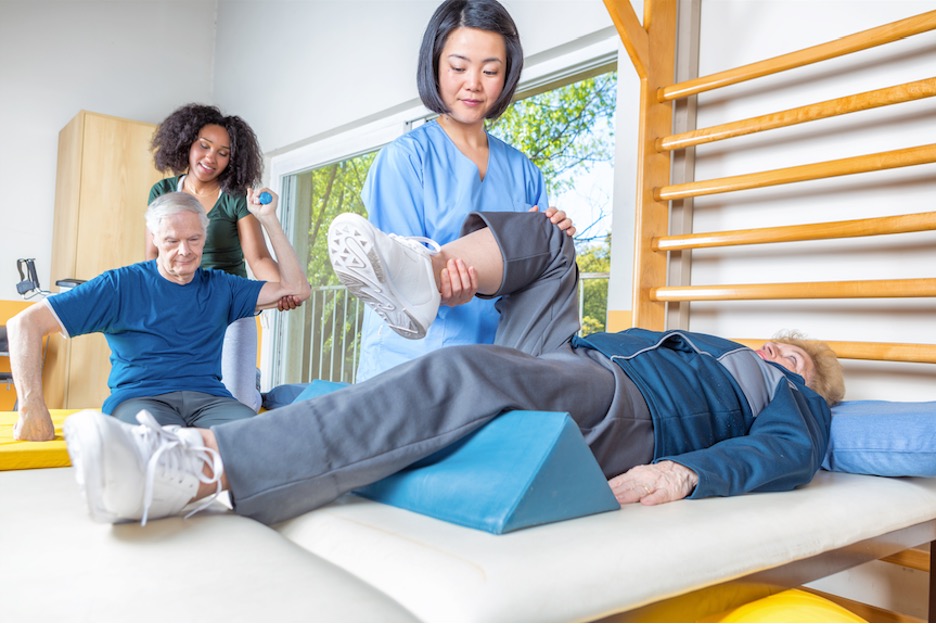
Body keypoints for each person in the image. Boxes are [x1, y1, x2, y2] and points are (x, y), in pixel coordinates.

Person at [62, 211, 844, 527]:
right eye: (779, 343)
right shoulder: (706, 341)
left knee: (469, 373)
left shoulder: (791, 394)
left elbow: (788, 452)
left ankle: (198, 469)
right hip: (582, 364)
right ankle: (424, 277)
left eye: (795, 354)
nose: (779, 351)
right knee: (552, 238)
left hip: (635, 410)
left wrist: (688, 474)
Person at [354, 0, 576, 380]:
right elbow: (392, 286)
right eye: (458, 67)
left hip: (497, 364)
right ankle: (428, 274)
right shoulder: (405, 160)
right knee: (409, 271)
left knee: (547, 243)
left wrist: (553, 231)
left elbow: (529, 278)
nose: (473, 83)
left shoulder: (524, 172)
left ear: (507, 76)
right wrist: (439, 288)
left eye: (490, 70)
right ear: (435, 66)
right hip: (410, 364)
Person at [9, 191, 311, 442]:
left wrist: (268, 219)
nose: (184, 251)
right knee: (164, 449)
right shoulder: (118, 286)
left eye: (194, 239)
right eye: (171, 241)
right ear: (154, 238)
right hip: (139, 400)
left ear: (205, 235)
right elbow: (24, 323)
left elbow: (297, 289)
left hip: (209, 401)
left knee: (267, 439)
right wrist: (31, 406)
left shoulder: (223, 286)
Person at [149, 103, 299, 411]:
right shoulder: (163, 191)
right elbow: (153, 255)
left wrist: (282, 288)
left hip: (228, 304)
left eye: (223, 152)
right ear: (187, 143)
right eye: (204, 146)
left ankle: (251, 383)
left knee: (240, 401)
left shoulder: (234, 197)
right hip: (180, 307)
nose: (210, 158)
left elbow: (257, 258)